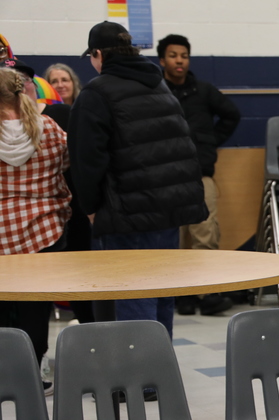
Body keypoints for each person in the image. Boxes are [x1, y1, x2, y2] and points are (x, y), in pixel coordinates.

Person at [68, 21, 207, 338]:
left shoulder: (95, 94)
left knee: (130, 300)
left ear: (99, 54)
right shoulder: (161, 88)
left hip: (126, 217)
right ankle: (159, 377)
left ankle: (138, 385)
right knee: (160, 296)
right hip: (169, 214)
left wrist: (91, 210)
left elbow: (86, 160)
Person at [157, 33, 240, 316]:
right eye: (173, 55)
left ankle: (207, 294)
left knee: (206, 234)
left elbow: (232, 115)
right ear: (162, 60)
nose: (179, 61)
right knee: (175, 240)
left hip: (200, 174)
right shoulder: (156, 91)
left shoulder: (203, 91)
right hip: (166, 177)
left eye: (184, 55)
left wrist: (209, 142)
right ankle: (181, 296)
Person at [0, 67, 71, 391]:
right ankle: (35, 369)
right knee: (36, 306)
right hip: (45, 230)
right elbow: (69, 165)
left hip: (3, 230)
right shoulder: (49, 128)